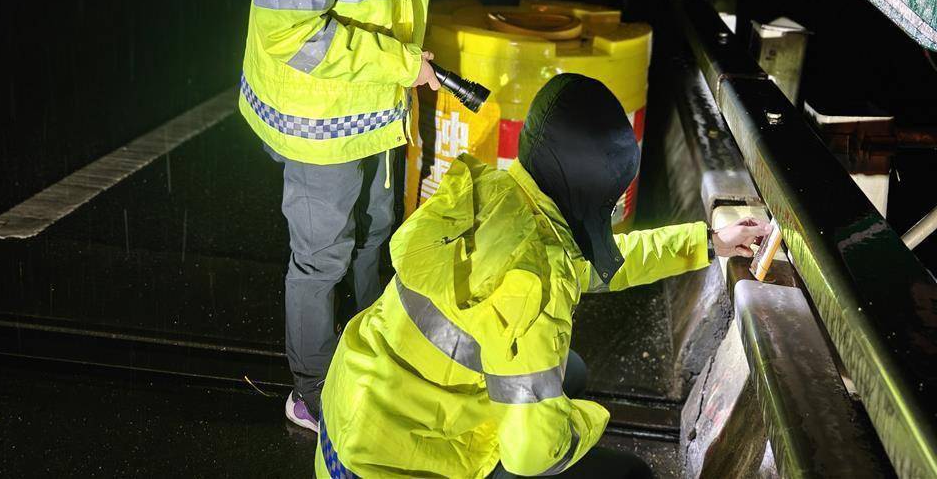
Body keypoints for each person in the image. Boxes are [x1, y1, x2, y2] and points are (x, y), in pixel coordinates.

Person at [315, 73, 770, 478]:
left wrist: (706, 242)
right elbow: (531, 456)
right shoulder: (535, 284)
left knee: (567, 372)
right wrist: (586, 422)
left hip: (347, 427)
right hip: (397, 466)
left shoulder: (492, 194)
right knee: (629, 473)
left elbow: (595, 263)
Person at [217, 0, 447, 432]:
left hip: (373, 103)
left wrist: (398, 70)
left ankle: (379, 356)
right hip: (320, 116)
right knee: (321, 258)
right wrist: (400, 63)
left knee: (376, 234)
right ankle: (313, 392)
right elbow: (294, 36)